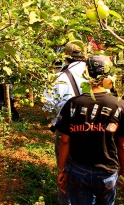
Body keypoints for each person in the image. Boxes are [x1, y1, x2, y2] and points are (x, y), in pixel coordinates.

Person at [55, 55, 124, 205]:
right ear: (109, 75)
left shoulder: (73, 104)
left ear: (86, 73)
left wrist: (61, 170)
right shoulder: (120, 105)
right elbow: (123, 145)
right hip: (107, 172)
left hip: (78, 170)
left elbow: (65, 141)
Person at [43, 40, 88, 205]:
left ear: (66, 58)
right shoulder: (96, 76)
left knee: (65, 174)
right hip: (94, 131)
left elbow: (49, 109)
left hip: (66, 132)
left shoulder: (58, 78)